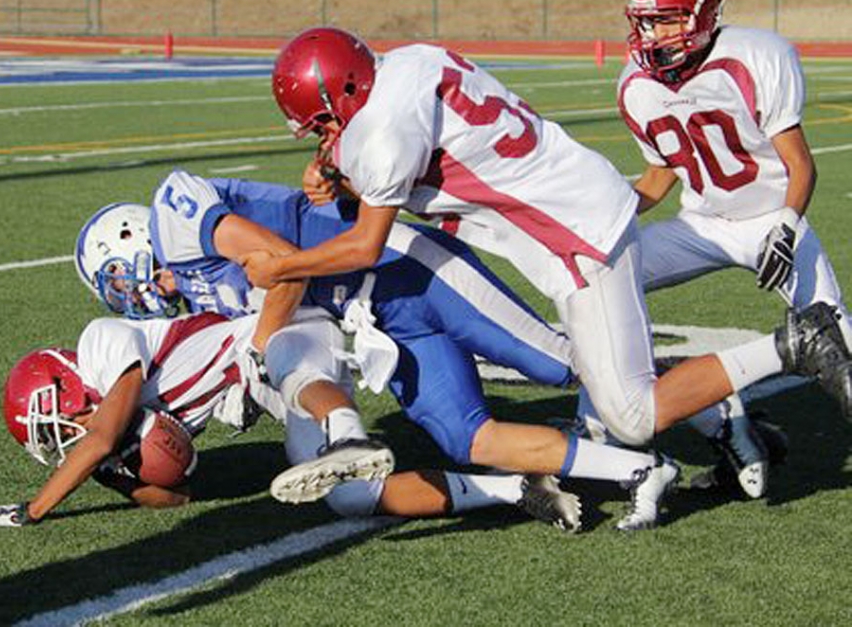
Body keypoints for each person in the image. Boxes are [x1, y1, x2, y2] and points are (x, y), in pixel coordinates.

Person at [241, 26, 851, 499]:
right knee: (600, 369)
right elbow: (407, 155)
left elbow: (364, 246)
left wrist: (283, 269)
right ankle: (733, 422)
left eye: (323, 120)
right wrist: (337, 166)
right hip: (579, 206)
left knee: (633, 415)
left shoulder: (379, 134)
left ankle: (792, 345)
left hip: (576, 234)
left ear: (346, 92)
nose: (323, 133)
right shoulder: (408, 62)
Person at [76, 175, 699, 532]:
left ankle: (720, 411)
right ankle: (639, 469)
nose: (127, 295)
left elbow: (286, 273)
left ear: (128, 242)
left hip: (413, 271)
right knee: (466, 437)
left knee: (562, 363)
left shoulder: (179, 219)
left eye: (116, 278)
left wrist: (261, 348)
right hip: (380, 320)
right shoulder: (195, 289)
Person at [0, 308, 583, 530]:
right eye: (58, 437)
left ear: (65, 377)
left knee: (313, 405)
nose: (71, 434)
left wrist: (33, 510)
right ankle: (516, 486)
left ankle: (350, 433)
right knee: (348, 502)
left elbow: (99, 431)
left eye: (61, 419)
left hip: (279, 342)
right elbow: (175, 498)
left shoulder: (101, 342)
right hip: (265, 388)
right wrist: (119, 478)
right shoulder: (114, 431)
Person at [618, 0, 852, 433]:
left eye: (666, 20)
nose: (654, 35)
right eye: (647, 22)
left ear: (702, 14)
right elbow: (659, 175)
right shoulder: (635, 83)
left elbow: (800, 164)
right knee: (604, 278)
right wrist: (603, 219)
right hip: (701, 226)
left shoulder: (754, 56)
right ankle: (711, 425)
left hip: (771, 218)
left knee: (837, 338)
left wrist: (785, 227)